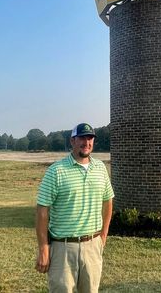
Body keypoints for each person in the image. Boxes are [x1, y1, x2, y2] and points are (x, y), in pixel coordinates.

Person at [35, 123, 114, 292]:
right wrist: (43, 248)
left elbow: (108, 201)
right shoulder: (56, 171)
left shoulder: (100, 168)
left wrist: (103, 236)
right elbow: (42, 211)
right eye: (82, 138)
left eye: (90, 138)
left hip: (92, 246)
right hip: (63, 248)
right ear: (73, 141)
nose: (87, 142)